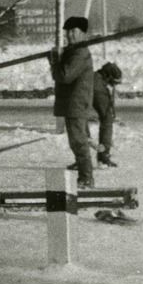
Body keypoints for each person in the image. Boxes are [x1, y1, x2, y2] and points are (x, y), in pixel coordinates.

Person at [48, 16, 95, 188]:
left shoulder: (80, 53)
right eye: (67, 31)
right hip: (72, 103)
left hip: (76, 103)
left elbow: (65, 76)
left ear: (82, 33)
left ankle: (86, 177)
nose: (69, 35)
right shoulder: (73, 51)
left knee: (78, 140)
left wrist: (55, 61)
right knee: (76, 140)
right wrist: (58, 58)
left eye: (73, 31)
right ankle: (82, 169)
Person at [93, 62, 122, 168]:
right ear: (108, 76)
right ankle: (103, 158)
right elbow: (106, 115)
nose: (113, 85)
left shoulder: (95, 77)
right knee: (107, 121)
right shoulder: (98, 85)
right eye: (113, 82)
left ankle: (82, 160)